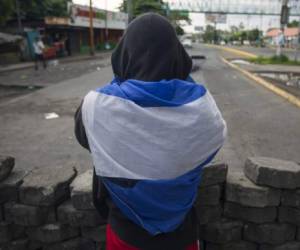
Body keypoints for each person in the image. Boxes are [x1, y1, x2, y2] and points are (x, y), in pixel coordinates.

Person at [74, 13, 226, 250]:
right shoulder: (202, 108)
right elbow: (211, 144)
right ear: (177, 54)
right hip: (182, 236)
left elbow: (87, 138)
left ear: (124, 53)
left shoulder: (97, 106)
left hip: (125, 235)